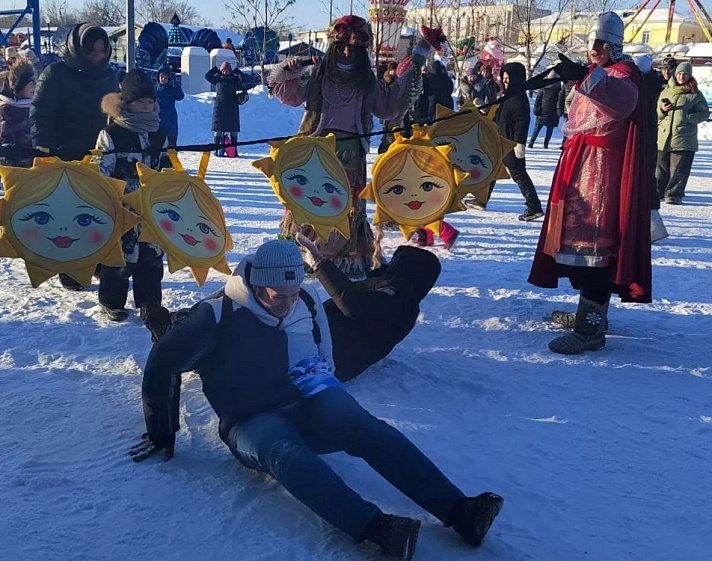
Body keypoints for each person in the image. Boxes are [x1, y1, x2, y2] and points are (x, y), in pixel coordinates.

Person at [131, 239, 504, 559]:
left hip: (308, 400)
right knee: (287, 454)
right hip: (250, 418)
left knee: (367, 428)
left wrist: (329, 394)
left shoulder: (305, 301)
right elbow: (163, 363)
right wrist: (162, 430)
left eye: (294, 294)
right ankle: (377, 528)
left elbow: (324, 353)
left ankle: (460, 510)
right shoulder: (217, 314)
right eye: (279, 297)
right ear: (257, 285)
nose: (288, 303)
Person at [529, 11, 653, 355]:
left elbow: (621, 100)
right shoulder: (604, 72)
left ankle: (590, 329)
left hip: (601, 172)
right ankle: (591, 315)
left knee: (595, 246)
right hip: (583, 165)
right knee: (582, 245)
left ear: (615, 45)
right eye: (591, 42)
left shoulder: (623, 72)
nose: (595, 48)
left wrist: (587, 75)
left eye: (602, 42)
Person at [269, 15, 432, 276]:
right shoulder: (318, 76)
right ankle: (299, 254)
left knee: (345, 206)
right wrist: (289, 71)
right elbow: (290, 95)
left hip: (351, 154)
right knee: (309, 201)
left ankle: (340, 261)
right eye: (342, 46)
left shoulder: (367, 82)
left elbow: (388, 107)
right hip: (314, 150)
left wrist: (417, 58)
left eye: (353, 48)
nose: (346, 52)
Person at [30, 23, 119, 291]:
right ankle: (70, 266)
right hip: (65, 153)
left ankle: (97, 259)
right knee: (67, 214)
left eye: (102, 50)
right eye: (92, 50)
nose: (97, 56)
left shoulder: (108, 75)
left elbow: (116, 113)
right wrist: (45, 148)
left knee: (98, 209)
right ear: (78, 48)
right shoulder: (56, 74)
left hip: (99, 153)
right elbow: (40, 113)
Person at [297, 234, 442, 382]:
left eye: (396, 263)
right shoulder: (401, 297)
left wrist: (319, 262)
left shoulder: (397, 303)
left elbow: (351, 302)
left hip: (318, 360)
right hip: (321, 349)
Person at [94, 69, 167, 324]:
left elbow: (166, 164)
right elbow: (101, 170)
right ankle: (111, 301)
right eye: (140, 102)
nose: (146, 107)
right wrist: (111, 198)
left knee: (151, 256)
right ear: (127, 103)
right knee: (120, 257)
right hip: (122, 207)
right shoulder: (112, 133)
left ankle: (150, 301)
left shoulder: (159, 132)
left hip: (150, 207)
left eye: (150, 102)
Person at [492, 62, 544, 221]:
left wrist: (519, 143)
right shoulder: (508, 95)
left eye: (508, 78)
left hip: (511, 144)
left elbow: (522, 122)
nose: (505, 81)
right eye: (503, 77)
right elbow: (499, 117)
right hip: (501, 141)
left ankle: (534, 207)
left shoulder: (519, 98)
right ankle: (481, 199)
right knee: (492, 171)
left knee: (519, 175)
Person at [656, 62, 709, 205]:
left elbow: (704, 113)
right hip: (664, 136)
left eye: (685, 74)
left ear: (689, 76)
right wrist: (662, 110)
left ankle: (674, 195)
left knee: (678, 169)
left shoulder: (695, 94)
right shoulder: (666, 91)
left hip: (684, 138)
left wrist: (688, 117)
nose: (682, 76)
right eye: (679, 73)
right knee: (661, 168)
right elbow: (657, 113)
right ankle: (658, 192)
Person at [205, 61, 245, 157]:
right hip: (219, 107)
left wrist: (238, 72)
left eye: (227, 70)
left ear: (230, 71)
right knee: (218, 128)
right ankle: (216, 149)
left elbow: (243, 80)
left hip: (232, 107)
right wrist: (216, 70)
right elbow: (207, 76)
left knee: (233, 129)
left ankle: (234, 150)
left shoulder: (234, 80)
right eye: (223, 70)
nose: (225, 72)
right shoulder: (217, 79)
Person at [0, 61, 35, 168]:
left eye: (34, 82)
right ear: (19, 87)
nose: (34, 86)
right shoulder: (6, 111)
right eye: (29, 83)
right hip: (15, 168)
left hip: (36, 164)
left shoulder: (36, 108)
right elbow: (5, 143)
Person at [155, 65, 184, 147]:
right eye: (161, 77)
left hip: (170, 122)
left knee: (172, 146)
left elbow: (180, 97)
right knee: (157, 146)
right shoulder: (154, 89)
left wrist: (175, 84)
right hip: (157, 122)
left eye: (165, 77)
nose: (163, 79)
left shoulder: (172, 89)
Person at [529, 77, 561, 149]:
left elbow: (538, 99)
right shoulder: (559, 89)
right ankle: (546, 144)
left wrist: (536, 108)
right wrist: (559, 110)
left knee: (537, 128)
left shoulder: (543, 88)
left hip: (542, 111)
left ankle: (531, 142)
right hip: (553, 112)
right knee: (550, 129)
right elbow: (560, 101)